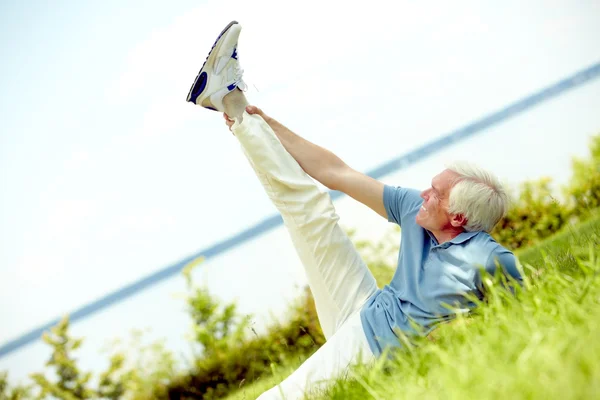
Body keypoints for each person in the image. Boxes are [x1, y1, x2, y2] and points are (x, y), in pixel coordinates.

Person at [186, 21, 523, 400]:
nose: (425, 192)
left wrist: (458, 330)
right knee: (310, 209)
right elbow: (336, 172)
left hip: (374, 346)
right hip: (365, 304)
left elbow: (519, 312)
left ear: (458, 219)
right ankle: (228, 98)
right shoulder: (416, 209)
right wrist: (260, 120)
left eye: (437, 193)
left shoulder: (488, 258)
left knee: (281, 396)